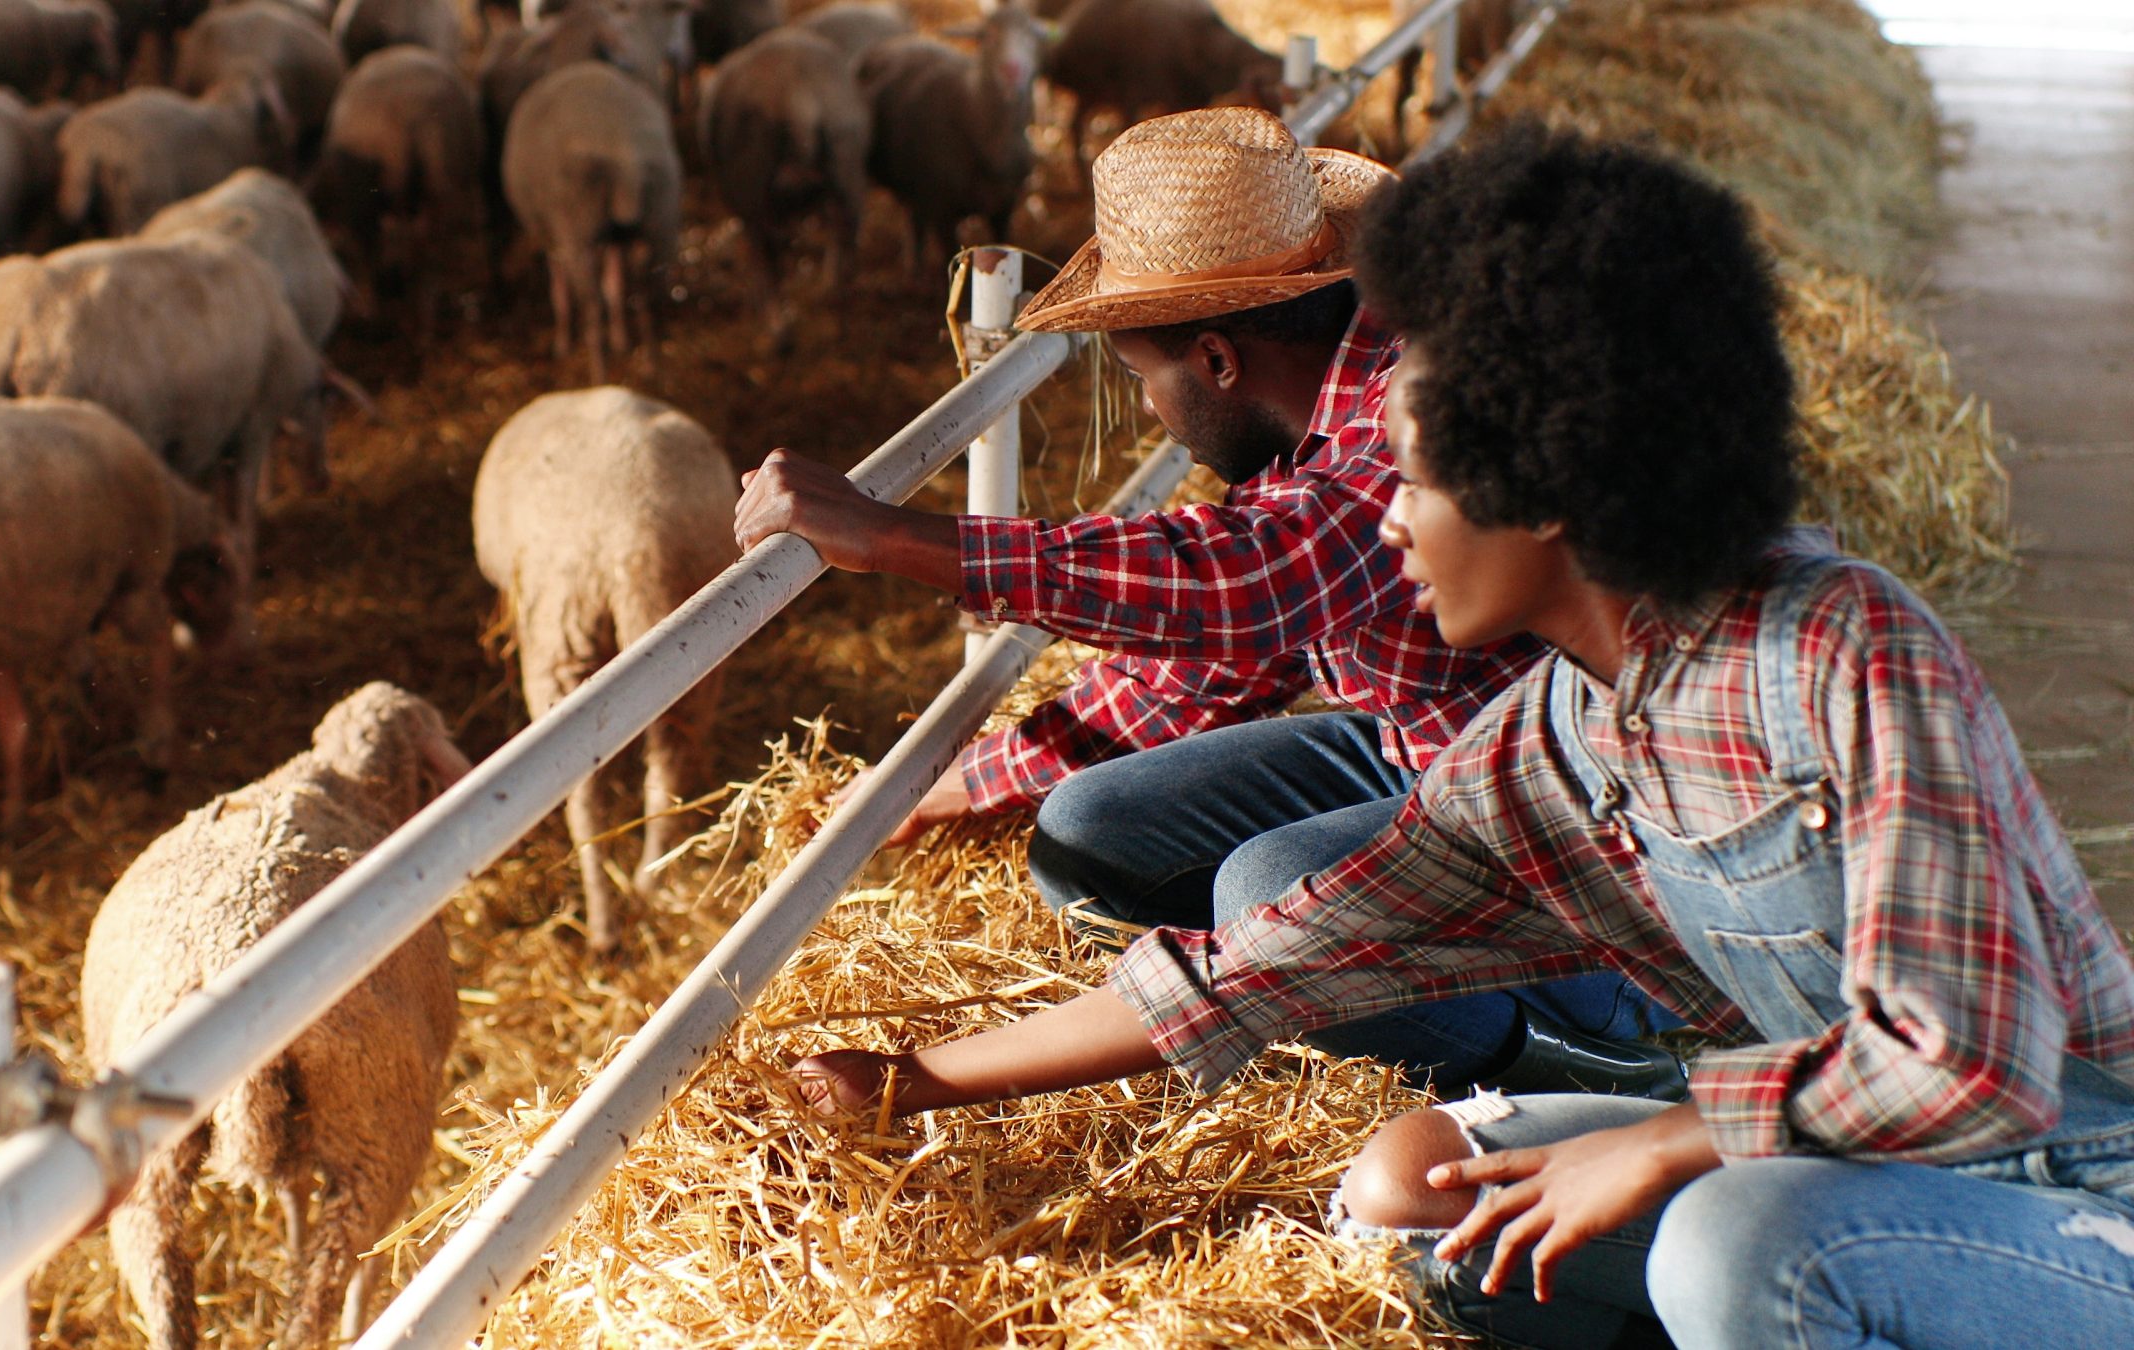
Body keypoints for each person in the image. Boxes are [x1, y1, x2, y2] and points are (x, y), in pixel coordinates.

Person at [785, 125, 2134, 1348]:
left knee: (1742, 1243)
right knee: (1408, 1190)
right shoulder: (1552, 737)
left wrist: (1672, 1138)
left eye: (1417, 485)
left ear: (1537, 489)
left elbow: (1972, 1062)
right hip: (1817, 1163)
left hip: (2069, 1193)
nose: (1386, 521)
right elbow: (1263, 964)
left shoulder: (1839, 647)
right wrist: (907, 1079)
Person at [733, 106, 1681, 1098]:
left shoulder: (1420, 416)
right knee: (1093, 824)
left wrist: (894, 536)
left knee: (1265, 889)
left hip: (1585, 838)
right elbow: (1243, 645)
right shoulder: (1337, 386)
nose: (1150, 407)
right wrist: (975, 778)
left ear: (1219, 362)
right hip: (1429, 744)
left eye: (1144, 375)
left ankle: (1589, 1047)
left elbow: (1256, 578)